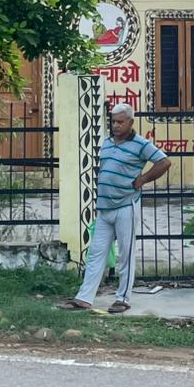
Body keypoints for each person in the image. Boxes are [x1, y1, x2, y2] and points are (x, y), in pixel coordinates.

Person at [60, 103, 170, 314]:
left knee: (125, 254)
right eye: (113, 121)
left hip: (126, 205)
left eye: (120, 122)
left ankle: (123, 299)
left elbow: (164, 162)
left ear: (130, 122)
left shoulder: (141, 144)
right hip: (105, 208)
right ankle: (84, 298)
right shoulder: (107, 142)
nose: (116, 125)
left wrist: (143, 179)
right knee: (95, 253)